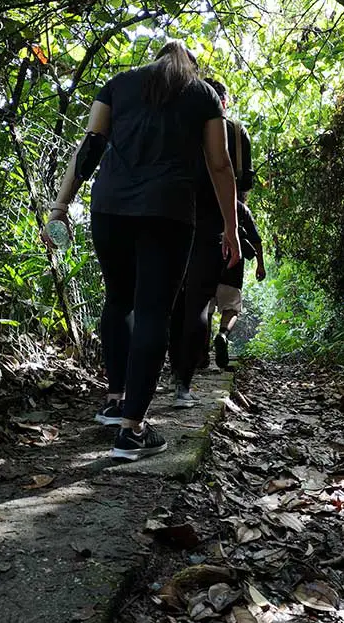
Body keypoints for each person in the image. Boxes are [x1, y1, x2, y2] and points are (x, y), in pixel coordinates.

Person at [43, 42, 240, 460]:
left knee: (118, 300)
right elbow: (220, 165)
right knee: (153, 310)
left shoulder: (119, 83)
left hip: (110, 207)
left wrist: (61, 205)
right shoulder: (202, 93)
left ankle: (115, 402)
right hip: (168, 211)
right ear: (191, 66)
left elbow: (91, 145)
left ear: (154, 59)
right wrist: (231, 228)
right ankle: (132, 430)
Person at [168, 78, 253, 405]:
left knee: (175, 298)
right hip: (216, 221)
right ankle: (184, 386)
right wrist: (235, 224)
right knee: (200, 301)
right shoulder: (235, 131)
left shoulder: (180, 122)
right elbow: (242, 179)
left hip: (176, 214)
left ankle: (176, 369)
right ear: (224, 102)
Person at [210, 198, 266, 369]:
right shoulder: (241, 209)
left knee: (204, 309)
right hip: (232, 265)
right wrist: (260, 265)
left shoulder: (205, 200)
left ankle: (200, 354)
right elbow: (256, 240)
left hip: (205, 264)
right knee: (232, 308)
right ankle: (223, 334)